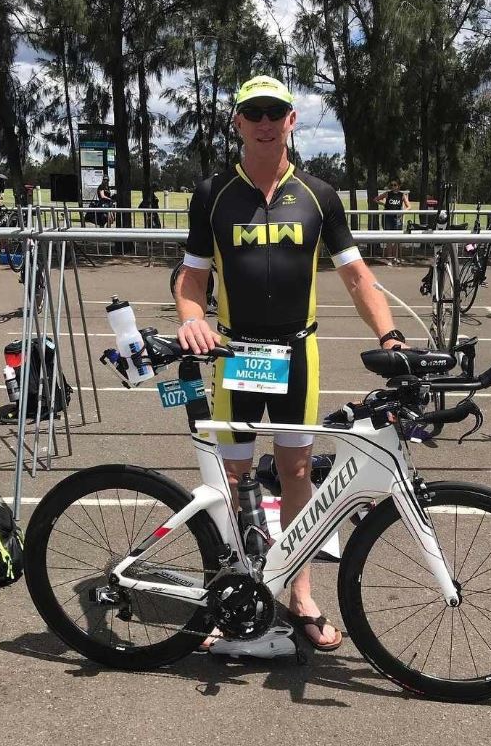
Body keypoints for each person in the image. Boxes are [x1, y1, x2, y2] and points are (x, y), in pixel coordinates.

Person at [175, 75, 405, 653]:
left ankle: (300, 591)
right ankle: (232, 589)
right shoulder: (213, 194)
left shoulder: (319, 194)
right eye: (252, 111)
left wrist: (392, 335)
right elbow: (193, 278)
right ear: (237, 122)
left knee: (298, 471)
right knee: (231, 476)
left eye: (274, 111)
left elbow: (356, 275)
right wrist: (191, 316)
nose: (264, 121)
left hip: (296, 354)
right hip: (235, 353)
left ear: (291, 120)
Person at [375, 179, 411, 264]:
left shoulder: (402, 195)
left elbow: (409, 206)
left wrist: (402, 212)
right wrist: (383, 204)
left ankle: (395, 257)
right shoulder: (387, 193)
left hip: (397, 218)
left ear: (399, 186)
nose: (393, 187)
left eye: (395, 185)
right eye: (392, 185)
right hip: (387, 218)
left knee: (397, 238)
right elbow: (376, 199)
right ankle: (389, 258)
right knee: (389, 238)